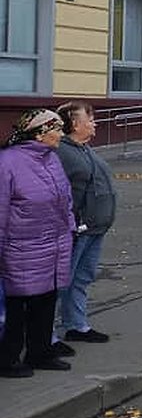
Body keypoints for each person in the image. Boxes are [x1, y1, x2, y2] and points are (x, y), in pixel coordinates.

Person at [0, 109, 76, 377]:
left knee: (45, 303)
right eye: (57, 128)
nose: (62, 134)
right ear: (40, 133)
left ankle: (40, 353)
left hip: (52, 247)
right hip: (20, 250)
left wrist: (69, 231)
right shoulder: (7, 162)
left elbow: (65, 199)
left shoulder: (51, 159)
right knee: (17, 308)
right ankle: (7, 360)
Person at [52, 102, 117, 353]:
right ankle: (46, 336)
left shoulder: (84, 149)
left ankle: (76, 325)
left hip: (95, 228)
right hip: (76, 229)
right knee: (60, 282)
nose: (94, 123)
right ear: (74, 123)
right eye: (89, 119)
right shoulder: (61, 152)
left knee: (80, 278)